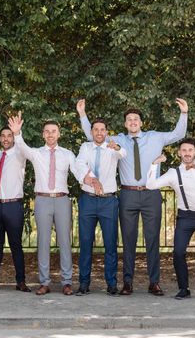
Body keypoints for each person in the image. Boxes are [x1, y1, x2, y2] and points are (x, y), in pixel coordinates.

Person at [78, 98, 188, 296]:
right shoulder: (117, 140)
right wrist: (83, 115)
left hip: (151, 194)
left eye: (136, 119)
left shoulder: (156, 137)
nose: (133, 121)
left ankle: (154, 282)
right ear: (125, 124)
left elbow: (179, 134)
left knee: (152, 239)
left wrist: (184, 113)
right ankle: (127, 282)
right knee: (128, 240)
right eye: (129, 119)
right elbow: (94, 134)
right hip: (128, 194)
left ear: (141, 122)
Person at [8, 112, 78, 296]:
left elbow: (79, 171)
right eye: (47, 131)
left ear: (59, 134)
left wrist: (92, 180)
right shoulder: (37, 153)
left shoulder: (67, 154)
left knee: (64, 241)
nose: (50, 134)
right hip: (42, 200)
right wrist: (17, 133)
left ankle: (67, 282)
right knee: (43, 242)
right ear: (43, 134)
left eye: (53, 131)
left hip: (62, 199)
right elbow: (22, 149)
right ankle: (44, 282)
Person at [147, 139, 195, 300]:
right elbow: (150, 184)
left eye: (190, 150)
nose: (187, 153)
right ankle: (184, 288)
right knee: (178, 252)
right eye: (184, 150)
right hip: (186, 217)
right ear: (179, 153)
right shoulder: (173, 173)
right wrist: (154, 164)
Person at [74, 118, 126, 296]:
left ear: (106, 132)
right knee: (85, 243)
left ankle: (111, 283)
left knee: (111, 244)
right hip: (88, 200)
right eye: (95, 129)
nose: (99, 132)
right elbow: (79, 164)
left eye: (102, 129)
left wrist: (118, 148)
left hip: (108, 202)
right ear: (92, 132)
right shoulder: (85, 147)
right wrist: (92, 178)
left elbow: (124, 154)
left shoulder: (113, 148)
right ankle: (84, 283)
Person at [0, 126, 30, 292]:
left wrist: (18, 132)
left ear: (13, 138)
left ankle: (21, 281)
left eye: (9, 136)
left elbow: (23, 146)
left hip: (13, 205)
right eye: (3, 136)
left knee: (15, 245)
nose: (6, 139)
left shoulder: (20, 154)